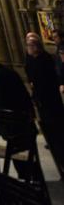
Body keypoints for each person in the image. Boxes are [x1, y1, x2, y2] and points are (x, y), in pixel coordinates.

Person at [24, 36, 64, 175]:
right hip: (43, 97)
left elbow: (47, 80)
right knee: (49, 123)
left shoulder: (44, 59)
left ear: (35, 47)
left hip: (49, 98)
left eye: (29, 46)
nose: (27, 49)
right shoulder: (33, 59)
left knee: (55, 123)